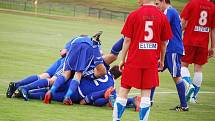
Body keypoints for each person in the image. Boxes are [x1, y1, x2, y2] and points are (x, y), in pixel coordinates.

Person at [112, 0, 172, 121]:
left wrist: (123, 59)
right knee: (146, 95)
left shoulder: (134, 15)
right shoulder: (162, 16)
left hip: (134, 60)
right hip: (150, 62)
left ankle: (116, 119)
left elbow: (127, 40)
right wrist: (161, 59)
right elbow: (164, 43)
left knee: (123, 91)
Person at [6, 39, 71, 98]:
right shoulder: (79, 42)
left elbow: (63, 52)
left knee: (44, 76)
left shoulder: (76, 40)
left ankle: (16, 85)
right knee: (53, 80)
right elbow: (64, 52)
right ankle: (24, 88)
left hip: (62, 61)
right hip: (67, 63)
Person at [154, 0, 188, 111]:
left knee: (176, 77)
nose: (157, 7)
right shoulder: (173, 12)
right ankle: (148, 100)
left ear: (164, 1)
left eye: (157, 4)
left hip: (172, 49)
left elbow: (162, 25)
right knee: (153, 71)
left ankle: (184, 106)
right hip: (169, 49)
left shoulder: (169, 11)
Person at [180, 0, 215, 103]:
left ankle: (189, 86)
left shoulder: (192, 3)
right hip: (203, 43)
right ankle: (193, 97)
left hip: (189, 40)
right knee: (198, 69)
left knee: (183, 65)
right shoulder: (212, 7)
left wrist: (179, 32)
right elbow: (213, 29)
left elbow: (183, 21)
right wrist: (213, 47)